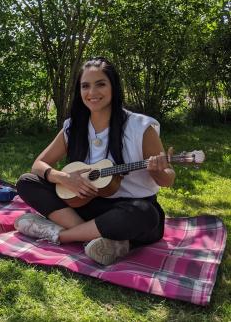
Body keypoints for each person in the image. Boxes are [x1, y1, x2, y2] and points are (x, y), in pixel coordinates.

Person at [14, 57, 175, 266]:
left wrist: (157, 171)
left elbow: (167, 180)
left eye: (100, 84)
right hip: (85, 205)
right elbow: (39, 165)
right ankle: (100, 240)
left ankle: (59, 234)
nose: (92, 93)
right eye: (85, 86)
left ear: (113, 87)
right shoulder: (74, 127)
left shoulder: (141, 127)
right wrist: (64, 178)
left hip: (128, 211)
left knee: (145, 214)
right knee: (27, 182)